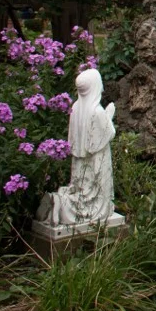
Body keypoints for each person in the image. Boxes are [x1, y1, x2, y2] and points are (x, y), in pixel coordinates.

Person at [38, 68, 116, 227]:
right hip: (96, 161)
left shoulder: (76, 108)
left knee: (81, 190)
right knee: (94, 201)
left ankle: (59, 202)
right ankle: (62, 205)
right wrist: (109, 115)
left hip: (79, 161)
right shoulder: (97, 111)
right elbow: (108, 134)